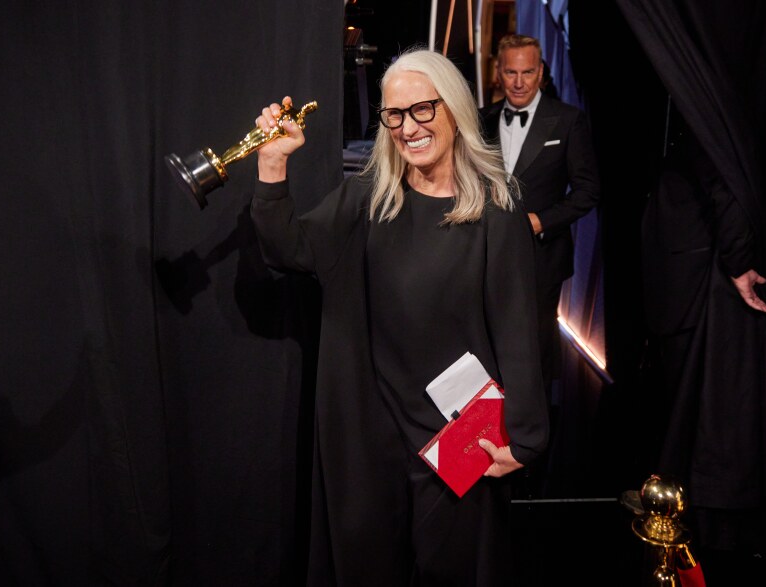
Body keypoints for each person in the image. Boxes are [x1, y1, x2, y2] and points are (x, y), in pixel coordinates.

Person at [250, 48, 549, 586]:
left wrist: (524, 438)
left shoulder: (496, 213)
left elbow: (518, 331)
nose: (408, 127)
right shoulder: (367, 199)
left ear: (454, 110)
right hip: (370, 431)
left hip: (457, 437)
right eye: (394, 115)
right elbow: (288, 249)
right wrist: (273, 165)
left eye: (422, 110)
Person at [639, 102, 766, 570]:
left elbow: (727, 185)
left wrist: (738, 261)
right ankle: (687, 523)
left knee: (708, 410)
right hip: (685, 279)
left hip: (705, 283)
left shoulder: (719, 114)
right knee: (691, 406)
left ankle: (697, 530)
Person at [479, 34, 600, 495]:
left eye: (527, 72)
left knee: (532, 346)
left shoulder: (568, 121)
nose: (518, 81)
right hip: (487, 256)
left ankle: (531, 446)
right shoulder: (482, 120)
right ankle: (486, 434)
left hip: (541, 259)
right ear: (498, 73)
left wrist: (540, 221)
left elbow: (588, 191)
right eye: (510, 72)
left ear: (542, 73)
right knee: (487, 341)